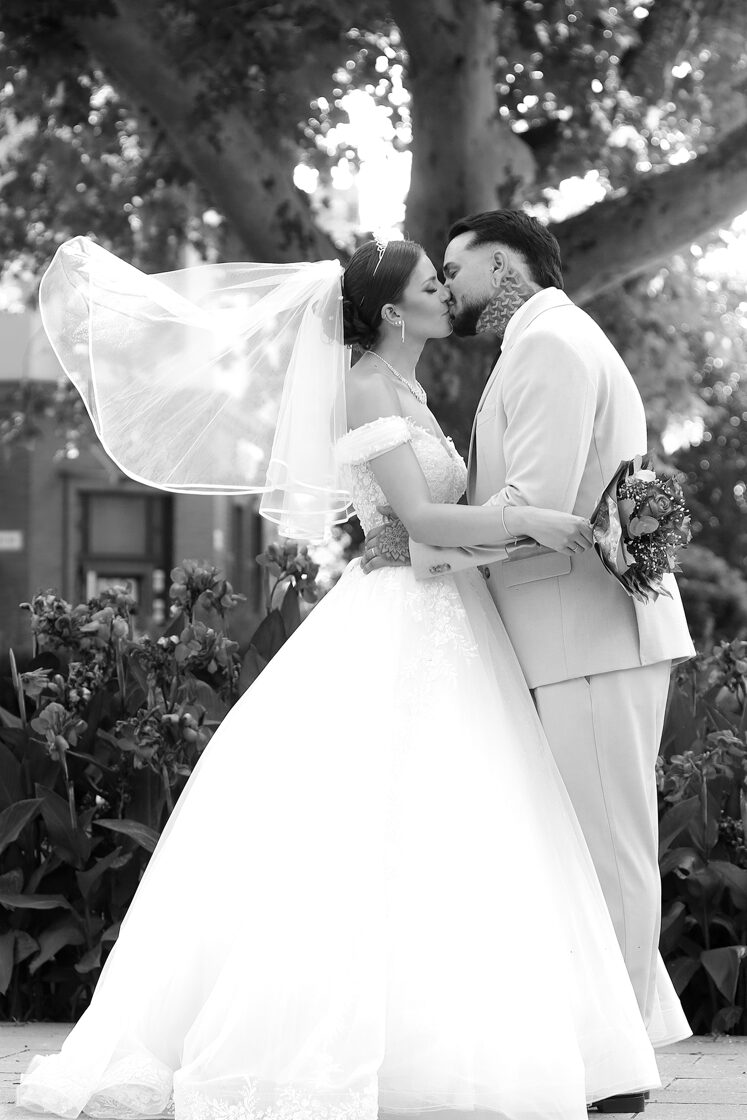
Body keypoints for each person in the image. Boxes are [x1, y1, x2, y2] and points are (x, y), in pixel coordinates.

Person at [17, 235, 664, 1120]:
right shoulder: (365, 385)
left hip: (451, 609)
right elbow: (419, 517)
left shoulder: (414, 389)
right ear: (395, 311)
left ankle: (445, 1036)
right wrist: (544, 523)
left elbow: (438, 519)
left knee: (452, 826)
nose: (447, 291)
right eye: (433, 282)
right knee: (361, 822)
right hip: (400, 611)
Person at [362, 212, 696, 1111]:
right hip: (569, 635)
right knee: (587, 851)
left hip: (585, 634)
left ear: (503, 265)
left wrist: (420, 550)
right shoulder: (539, 342)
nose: (447, 287)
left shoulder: (548, 345)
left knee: (606, 851)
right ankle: (610, 1044)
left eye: (455, 269)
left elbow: (533, 506)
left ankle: (618, 1073)